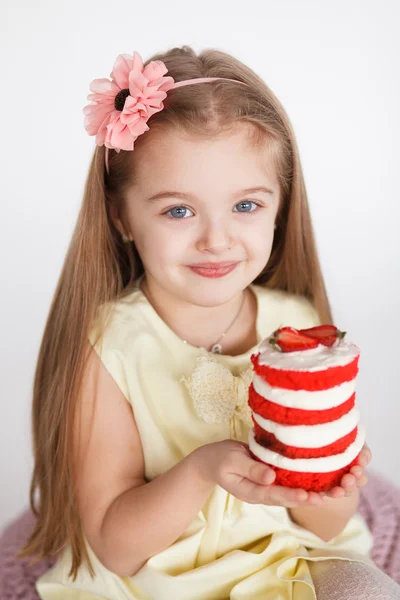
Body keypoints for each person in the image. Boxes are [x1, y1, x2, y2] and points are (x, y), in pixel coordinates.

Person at [17, 46, 400, 599]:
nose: (216, 239)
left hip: (293, 558)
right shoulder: (111, 345)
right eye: (178, 210)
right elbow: (115, 545)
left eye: (246, 206)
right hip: (160, 582)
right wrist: (202, 470)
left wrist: (332, 479)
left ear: (279, 205)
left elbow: (328, 527)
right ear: (122, 216)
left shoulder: (299, 328)